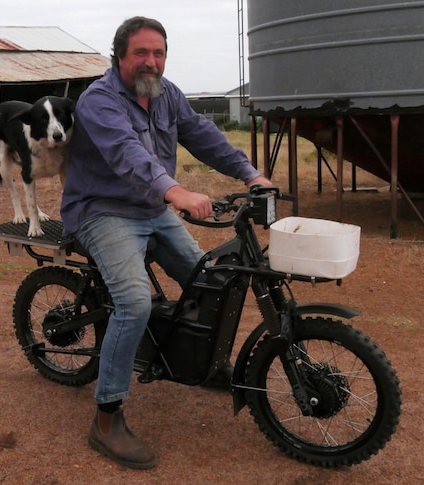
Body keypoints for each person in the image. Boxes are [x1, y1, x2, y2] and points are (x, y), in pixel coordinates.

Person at [60, 16, 273, 470]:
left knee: (210, 283)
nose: (151, 62)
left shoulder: (167, 94)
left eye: (158, 53)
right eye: (141, 53)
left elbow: (203, 135)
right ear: (120, 56)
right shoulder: (99, 101)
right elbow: (127, 154)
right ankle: (107, 418)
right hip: (102, 210)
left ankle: (208, 364)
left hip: (152, 209)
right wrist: (174, 191)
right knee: (134, 302)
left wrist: (249, 173)